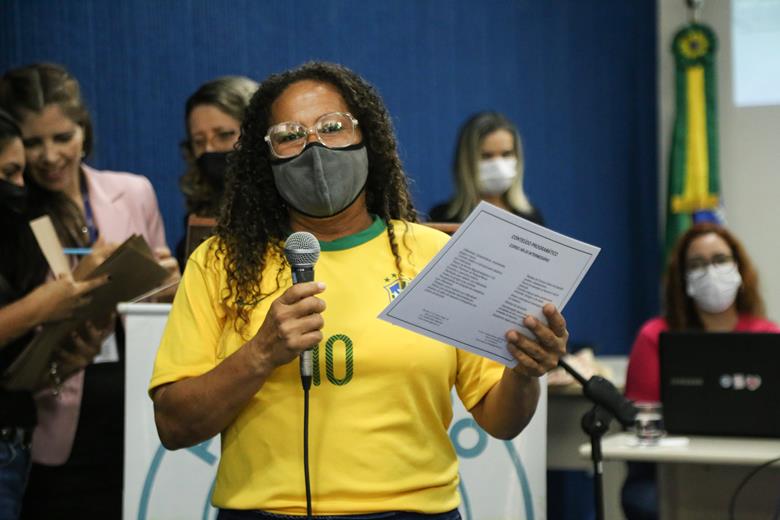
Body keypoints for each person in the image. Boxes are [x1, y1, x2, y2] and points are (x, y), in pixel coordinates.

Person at [149, 61, 569, 519]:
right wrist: (260, 354)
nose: (314, 148)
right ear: (263, 158)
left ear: (367, 137)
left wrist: (525, 373)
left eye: (333, 128)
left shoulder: (435, 255)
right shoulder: (221, 262)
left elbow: (501, 420)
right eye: (289, 135)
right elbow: (173, 425)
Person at [0, 62, 179, 518]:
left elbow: (160, 304)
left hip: (137, 409)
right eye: (34, 142)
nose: (49, 156)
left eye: (62, 137)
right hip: (51, 416)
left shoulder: (134, 191)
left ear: (84, 130)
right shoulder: (14, 210)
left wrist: (168, 284)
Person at [621, 222, 780, 520]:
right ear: (683, 278)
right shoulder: (654, 335)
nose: (710, 271)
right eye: (697, 264)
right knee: (645, 503)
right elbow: (639, 416)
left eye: (720, 259)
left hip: (756, 470)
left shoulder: (768, 336)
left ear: (739, 268)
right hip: (670, 471)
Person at [0, 109, 109, 520]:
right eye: (8, 172)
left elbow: (15, 373)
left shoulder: (18, 234)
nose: (19, 186)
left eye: (20, 173)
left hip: (17, 442)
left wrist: (67, 360)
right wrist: (43, 305)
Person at [176, 76, 258, 264]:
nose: (209, 149)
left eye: (223, 135)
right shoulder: (199, 211)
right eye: (199, 141)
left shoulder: (289, 208)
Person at [428, 111, 543, 225]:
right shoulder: (442, 218)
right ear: (466, 162)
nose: (498, 165)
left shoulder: (531, 218)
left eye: (506, 154)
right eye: (486, 156)